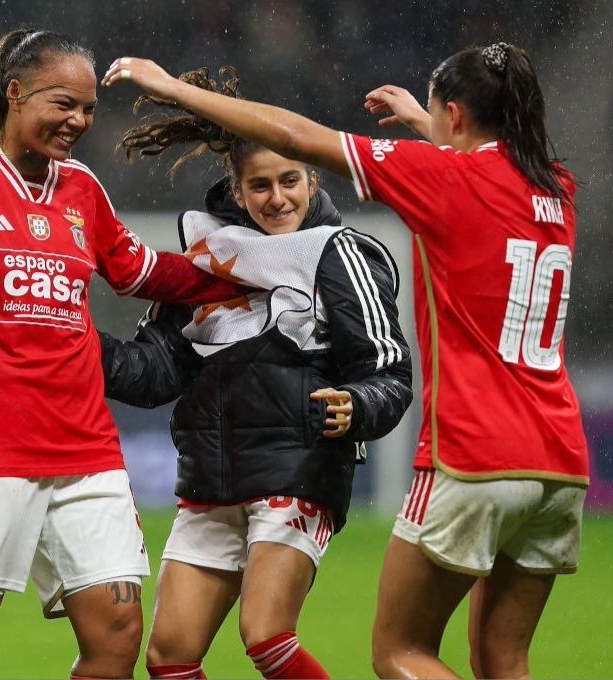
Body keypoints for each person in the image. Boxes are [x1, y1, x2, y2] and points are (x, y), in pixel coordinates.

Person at [105, 42, 588, 679]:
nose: (277, 195)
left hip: (476, 453)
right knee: (504, 660)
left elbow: (298, 135)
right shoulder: (556, 186)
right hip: (560, 458)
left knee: (400, 653)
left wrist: (178, 90)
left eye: (439, 118)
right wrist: (424, 122)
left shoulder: (437, 184)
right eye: (259, 184)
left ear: (458, 117)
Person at [0, 29, 242, 680]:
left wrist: (239, 280)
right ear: (15, 92)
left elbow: (140, 271)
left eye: (87, 109)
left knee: (117, 639)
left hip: (86, 453)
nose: (78, 121)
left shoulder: (82, 190)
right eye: (64, 104)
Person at [97, 65, 412, 680]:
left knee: (266, 633)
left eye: (289, 180)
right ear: (237, 191)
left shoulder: (338, 253)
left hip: (298, 470)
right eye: (260, 185)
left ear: (311, 176)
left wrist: (358, 403)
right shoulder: (211, 255)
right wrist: (73, 343)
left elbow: (389, 372)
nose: (278, 198)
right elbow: (158, 370)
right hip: (212, 481)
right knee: (168, 657)